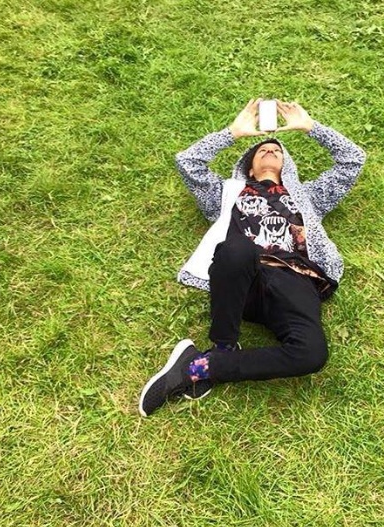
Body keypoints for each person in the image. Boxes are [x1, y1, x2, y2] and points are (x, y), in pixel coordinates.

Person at [138, 99, 366, 417]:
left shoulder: (309, 196)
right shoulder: (226, 194)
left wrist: (310, 127)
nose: (270, 150)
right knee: (238, 248)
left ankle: (202, 366)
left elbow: (353, 160)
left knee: (312, 354)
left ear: (287, 165)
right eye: (262, 150)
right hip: (243, 277)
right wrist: (232, 133)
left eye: (277, 150)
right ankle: (225, 345)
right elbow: (187, 162)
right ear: (248, 166)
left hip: (296, 279)